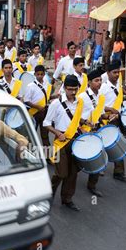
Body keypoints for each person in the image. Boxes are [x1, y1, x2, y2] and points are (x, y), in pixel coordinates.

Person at [44, 75, 84, 211]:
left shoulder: (80, 102)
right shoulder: (56, 103)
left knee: (73, 173)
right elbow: (46, 123)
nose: (73, 92)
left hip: (75, 140)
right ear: (64, 88)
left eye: (75, 89)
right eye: (70, 89)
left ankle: (67, 199)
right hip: (60, 142)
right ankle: (48, 196)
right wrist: (57, 133)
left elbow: (76, 121)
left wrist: (82, 127)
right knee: (61, 173)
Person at [98, 60, 126, 181]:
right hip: (106, 120)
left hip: (117, 118)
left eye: (118, 72)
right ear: (108, 73)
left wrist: (125, 97)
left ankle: (119, 171)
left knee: (117, 144)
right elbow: (98, 105)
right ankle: (99, 167)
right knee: (103, 145)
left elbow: (116, 100)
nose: (117, 74)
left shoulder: (118, 85)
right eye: (114, 72)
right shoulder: (103, 87)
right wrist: (110, 109)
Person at [78, 69, 107, 196]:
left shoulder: (101, 97)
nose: (99, 83)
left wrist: (109, 116)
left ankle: (92, 185)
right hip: (82, 131)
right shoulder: (82, 97)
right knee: (77, 162)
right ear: (89, 82)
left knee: (96, 158)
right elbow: (74, 116)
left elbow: (100, 115)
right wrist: (82, 127)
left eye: (100, 80)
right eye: (96, 80)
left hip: (95, 131)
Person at [23, 65, 52, 147]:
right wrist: (37, 107)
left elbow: (47, 97)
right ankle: (28, 154)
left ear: (44, 74)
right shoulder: (30, 86)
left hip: (45, 113)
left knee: (45, 136)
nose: (40, 76)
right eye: (38, 74)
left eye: (41, 74)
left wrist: (55, 96)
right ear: (35, 74)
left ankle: (48, 157)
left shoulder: (47, 85)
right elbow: (26, 101)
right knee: (31, 135)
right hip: (34, 113)